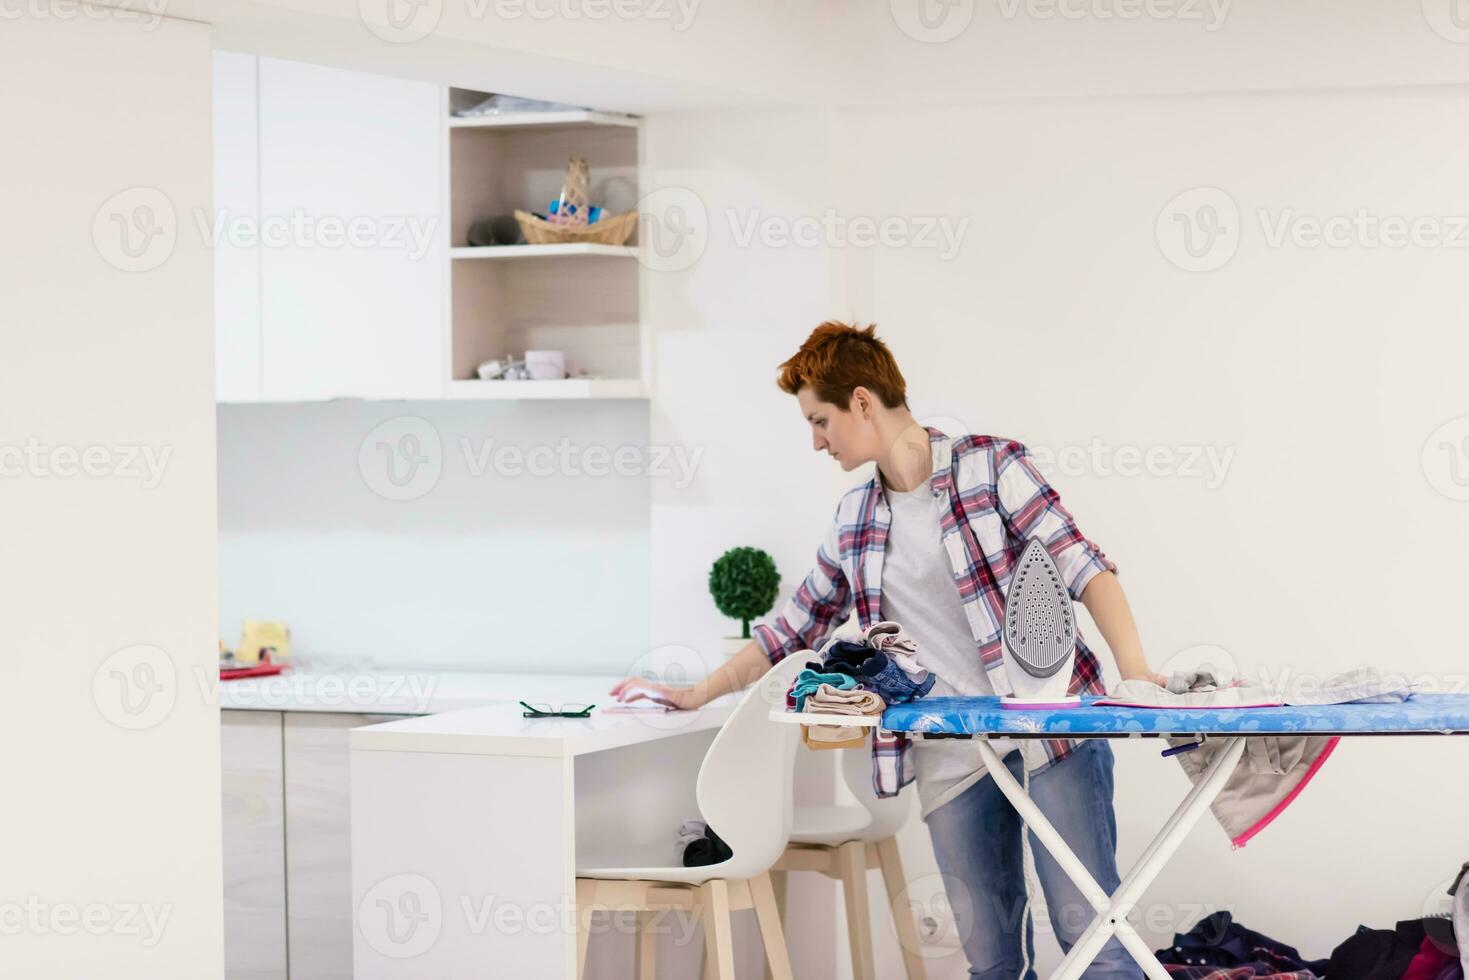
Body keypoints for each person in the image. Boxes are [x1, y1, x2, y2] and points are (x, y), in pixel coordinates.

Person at [610, 320, 1162, 980]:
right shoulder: (857, 518)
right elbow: (794, 627)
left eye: (820, 421)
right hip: (950, 755)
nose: (816, 441)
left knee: (1095, 951)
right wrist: (697, 692)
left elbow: (1084, 569)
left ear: (863, 402)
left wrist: (1135, 676)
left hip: (1051, 740)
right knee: (990, 964)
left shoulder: (991, 468)